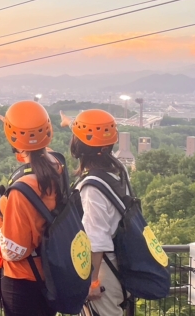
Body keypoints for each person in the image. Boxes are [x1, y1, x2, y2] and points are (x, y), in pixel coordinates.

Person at [0, 100, 65, 316]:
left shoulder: (21, 190)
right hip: (50, 274)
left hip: (23, 281)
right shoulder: (57, 168)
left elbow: (14, 250)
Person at [69, 109, 129, 316]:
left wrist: (92, 281)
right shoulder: (118, 172)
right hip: (122, 261)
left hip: (104, 268)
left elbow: (96, 238)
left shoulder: (92, 187)